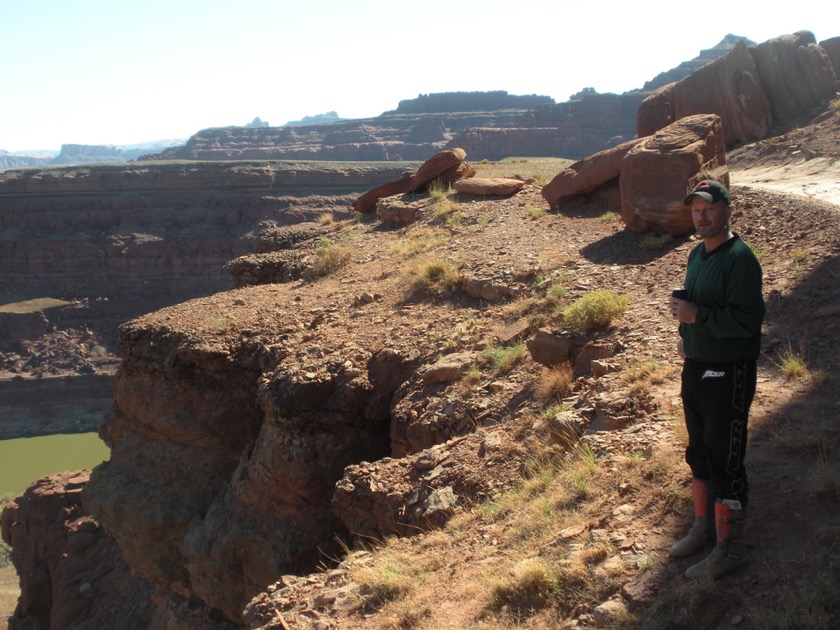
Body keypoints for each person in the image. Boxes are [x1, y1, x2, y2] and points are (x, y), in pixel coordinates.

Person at [668, 179, 766, 579]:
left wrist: (697, 319)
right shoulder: (697, 253)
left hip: (729, 371)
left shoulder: (741, 259)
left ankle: (730, 549)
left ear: (726, 210)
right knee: (700, 451)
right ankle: (703, 527)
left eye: (708, 208)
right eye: (695, 209)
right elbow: (698, 306)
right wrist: (686, 334)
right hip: (697, 365)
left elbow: (747, 322)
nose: (701, 215)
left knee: (726, 458)